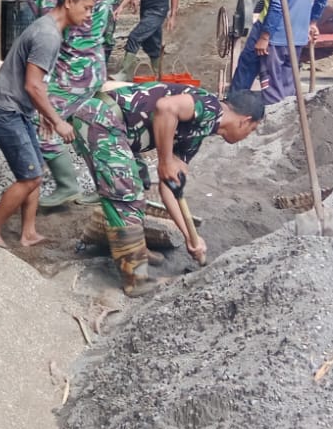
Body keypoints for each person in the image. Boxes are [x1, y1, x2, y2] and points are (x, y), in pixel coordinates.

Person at [77, 82, 264, 294]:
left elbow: (171, 187)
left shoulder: (197, 134)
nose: (248, 135)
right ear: (245, 121)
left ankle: (135, 250)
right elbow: (165, 107)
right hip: (101, 118)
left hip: (117, 131)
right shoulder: (210, 106)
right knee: (125, 192)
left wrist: (190, 236)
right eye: (252, 130)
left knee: (139, 181)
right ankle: (135, 280)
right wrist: (165, 161)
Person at [0, 0, 97, 248]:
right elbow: (32, 85)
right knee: (30, 176)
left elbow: (35, 83)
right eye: (87, 7)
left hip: (15, 108)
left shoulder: (50, 29)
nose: (89, 14)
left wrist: (43, 111)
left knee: (36, 171)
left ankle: (28, 233)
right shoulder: (48, 35)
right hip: (4, 110)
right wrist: (57, 121)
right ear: (69, 3)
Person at [34, 0, 112, 208]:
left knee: (42, 120)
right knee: (85, 129)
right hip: (90, 67)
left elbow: (51, 17)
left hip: (75, 73)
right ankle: (108, 187)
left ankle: (67, 185)